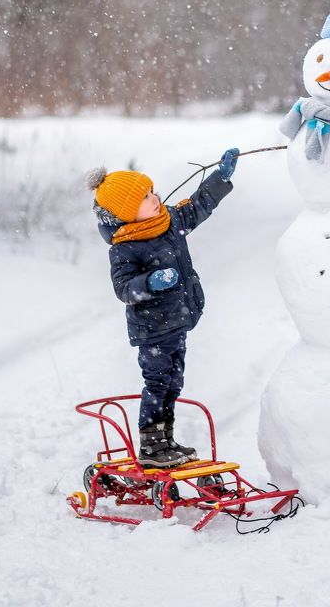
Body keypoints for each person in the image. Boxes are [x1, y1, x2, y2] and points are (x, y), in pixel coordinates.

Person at [87, 148, 239, 467]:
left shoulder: (167, 221)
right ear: (128, 211)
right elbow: (123, 288)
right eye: (145, 197)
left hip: (177, 323)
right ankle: (151, 446)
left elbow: (198, 205)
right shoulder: (125, 247)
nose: (154, 198)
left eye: (152, 191)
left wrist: (220, 177)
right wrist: (150, 282)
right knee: (157, 383)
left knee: (173, 382)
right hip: (153, 330)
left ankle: (166, 440)